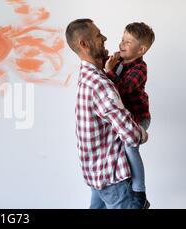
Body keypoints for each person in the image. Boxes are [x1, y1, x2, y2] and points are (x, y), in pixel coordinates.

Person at [65, 18, 148, 209]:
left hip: (97, 175)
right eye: (98, 35)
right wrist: (142, 133)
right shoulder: (100, 83)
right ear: (84, 44)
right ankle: (140, 191)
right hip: (113, 179)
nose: (105, 38)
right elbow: (131, 135)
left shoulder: (88, 75)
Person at [105, 22, 155, 208]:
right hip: (126, 118)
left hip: (139, 117)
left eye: (128, 42)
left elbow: (123, 90)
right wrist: (109, 65)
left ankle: (139, 193)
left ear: (141, 49)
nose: (121, 44)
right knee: (120, 149)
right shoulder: (118, 62)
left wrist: (110, 71)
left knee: (130, 147)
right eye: (122, 40)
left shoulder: (140, 68)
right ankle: (125, 182)